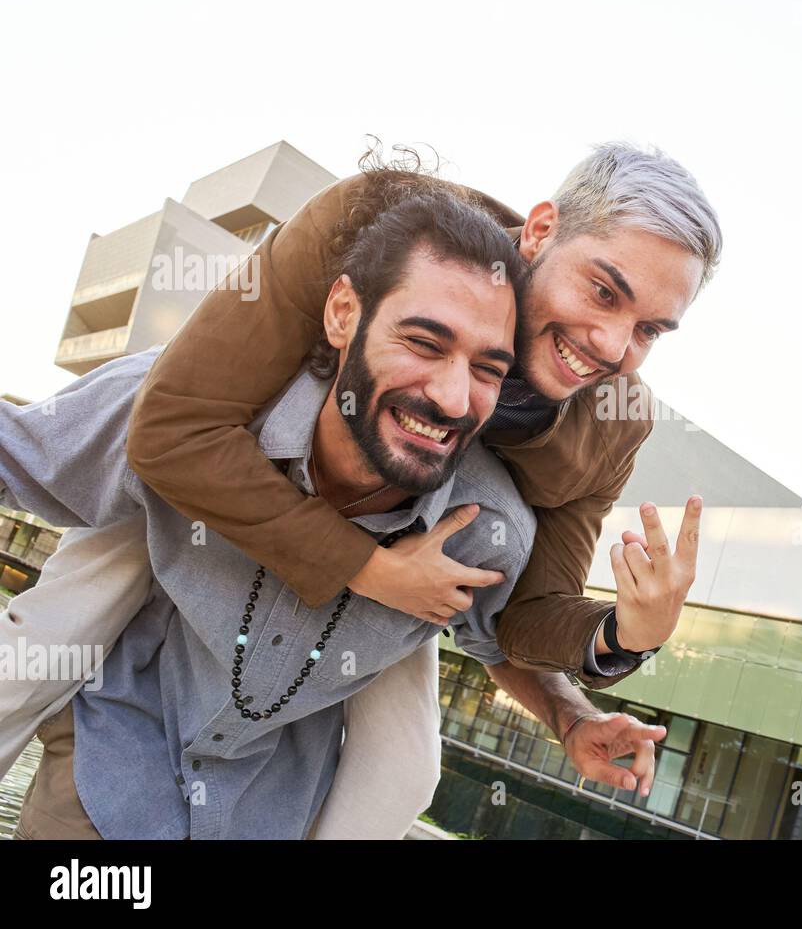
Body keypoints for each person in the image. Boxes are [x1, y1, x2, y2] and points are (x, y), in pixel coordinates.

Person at [1, 187, 665, 838]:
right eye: (427, 342)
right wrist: (366, 566)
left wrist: (607, 663)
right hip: (112, 765)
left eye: (489, 367)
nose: (610, 343)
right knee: (56, 627)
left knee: (406, 765)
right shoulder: (349, 234)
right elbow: (138, 435)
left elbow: (514, 623)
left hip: (281, 784)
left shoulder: (539, 482)